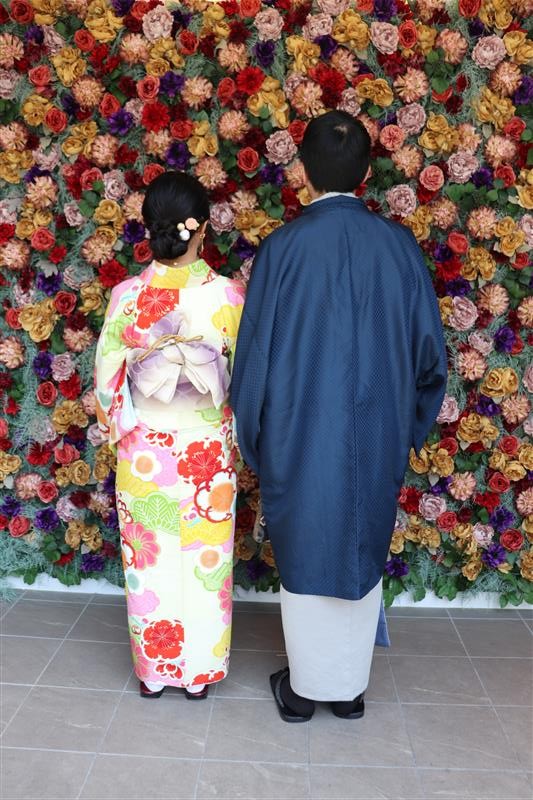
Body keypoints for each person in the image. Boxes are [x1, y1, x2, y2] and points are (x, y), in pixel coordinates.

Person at [230, 111, 447, 722]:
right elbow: (430, 357)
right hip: (377, 430)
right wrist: (406, 429)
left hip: (298, 432)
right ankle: (347, 690)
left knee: (306, 546)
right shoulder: (399, 248)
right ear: (368, 173)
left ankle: (304, 690)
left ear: (302, 171)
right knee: (359, 543)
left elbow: (253, 361)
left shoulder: (283, 249)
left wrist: (257, 441)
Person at [95, 172, 244, 700]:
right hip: (208, 451)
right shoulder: (229, 297)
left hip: (145, 451)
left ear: (149, 229)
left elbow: (107, 382)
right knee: (207, 562)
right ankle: (198, 672)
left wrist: (123, 431)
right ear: (202, 228)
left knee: (150, 561)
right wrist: (230, 431)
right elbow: (245, 380)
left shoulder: (127, 297)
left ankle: (155, 671)